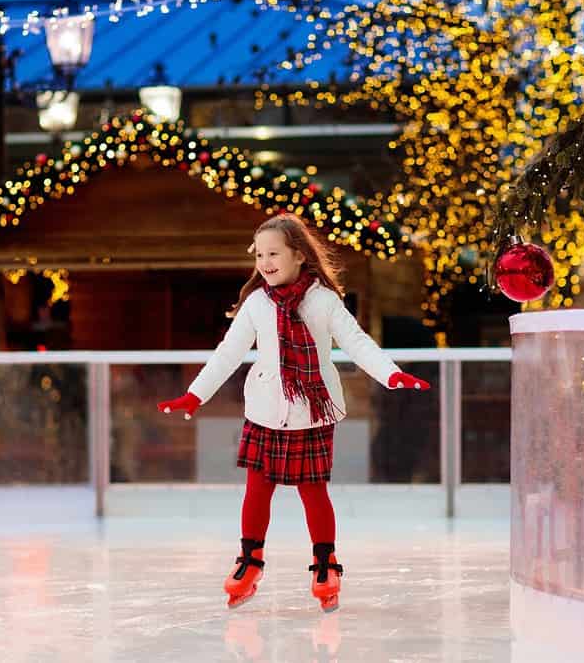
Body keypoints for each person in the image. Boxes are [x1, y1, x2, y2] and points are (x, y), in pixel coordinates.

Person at [158, 213, 430, 612]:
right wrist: (195, 395)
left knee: (313, 491)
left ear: (300, 256)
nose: (265, 262)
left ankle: (325, 564)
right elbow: (228, 354)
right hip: (266, 410)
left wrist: (392, 375)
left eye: (274, 254)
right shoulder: (256, 303)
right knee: (257, 489)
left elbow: (356, 342)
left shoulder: (322, 300)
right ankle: (249, 562)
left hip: (311, 411)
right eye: (260, 255)